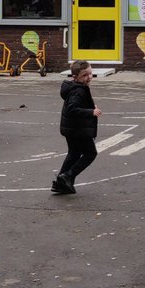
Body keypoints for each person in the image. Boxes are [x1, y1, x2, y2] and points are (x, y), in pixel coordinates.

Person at [53, 59, 101, 195]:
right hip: (78, 130)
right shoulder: (78, 91)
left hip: (71, 128)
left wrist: (90, 107)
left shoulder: (75, 87)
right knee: (90, 153)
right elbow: (72, 108)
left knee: (73, 153)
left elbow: (76, 105)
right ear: (75, 77)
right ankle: (68, 176)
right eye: (85, 75)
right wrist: (91, 112)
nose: (89, 77)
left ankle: (60, 183)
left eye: (90, 73)